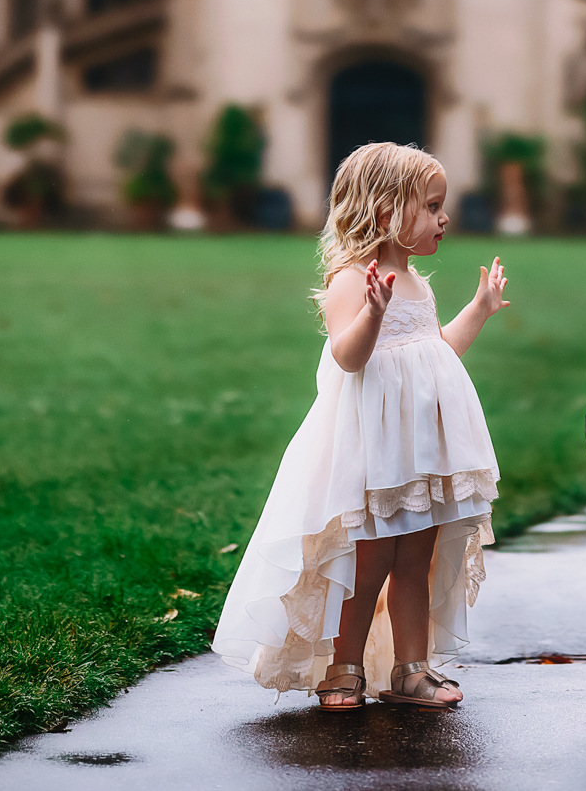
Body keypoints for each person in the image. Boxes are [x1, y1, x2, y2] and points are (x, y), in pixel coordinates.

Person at [213, 143, 511, 711]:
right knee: (367, 560)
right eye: (430, 205)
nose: (443, 218)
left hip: (423, 453)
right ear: (384, 212)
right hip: (374, 454)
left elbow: (437, 350)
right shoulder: (352, 280)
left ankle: (411, 669)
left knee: (415, 562)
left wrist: (479, 309)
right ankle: (343, 666)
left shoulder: (417, 283)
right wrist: (372, 312)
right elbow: (349, 358)